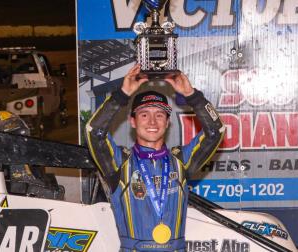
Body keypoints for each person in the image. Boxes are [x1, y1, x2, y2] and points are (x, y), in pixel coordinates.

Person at [85, 64, 224, 251]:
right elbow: (93, 132)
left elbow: (216, 131)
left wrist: (192, 95)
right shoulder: (120, 162)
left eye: (159, 115)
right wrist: (122, 94)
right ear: (132, 121)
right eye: (144, 114)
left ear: (167, 123)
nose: (152, 122)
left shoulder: (180, 160)